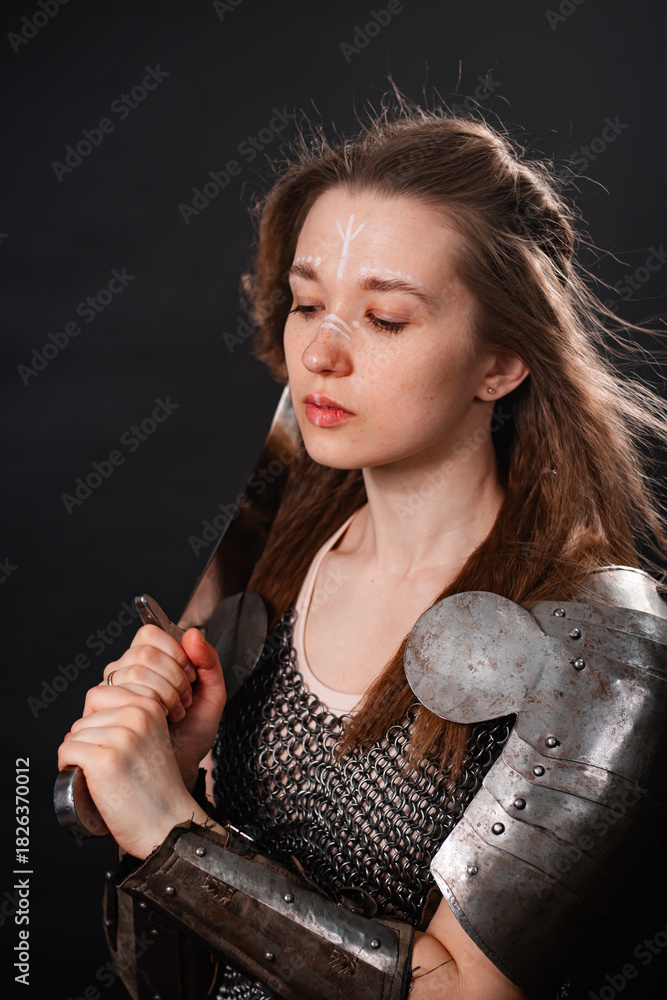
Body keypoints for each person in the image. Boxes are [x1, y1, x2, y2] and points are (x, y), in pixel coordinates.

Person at [58, 92, 667, 1000]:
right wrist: (169, 779)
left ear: (501, 360)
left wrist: (172, 832)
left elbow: (464, 995)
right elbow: (178, 981)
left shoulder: (596, 641)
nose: (319, 354)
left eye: (383, 319)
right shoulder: (273, 552)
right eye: (307, 304)